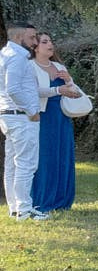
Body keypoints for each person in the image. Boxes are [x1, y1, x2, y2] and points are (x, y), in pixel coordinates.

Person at [30, 33, 82, 212]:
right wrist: (58, 89)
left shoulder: (59, 66)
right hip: (43, 116)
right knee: (45, 156)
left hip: (62, 115)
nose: (50, 44)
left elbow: (74, 91)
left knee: (63, 155)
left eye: (51, 41)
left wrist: (68, 79)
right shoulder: (30, 66)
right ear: (35, 47)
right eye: (44, 42)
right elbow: (32, 91)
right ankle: (41, 200)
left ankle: (62, 200)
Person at [1, 22, 47, 219]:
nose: (35, 42)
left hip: (8, 115)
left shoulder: (4, 55)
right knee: (26, 164)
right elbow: (13, 89)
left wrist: (55, 91)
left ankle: (14, 207)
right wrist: (31, 110)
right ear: (20, 37)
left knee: (12, 163)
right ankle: (25, 209)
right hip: (21, 117)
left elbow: (24, 88)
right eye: (32, 37)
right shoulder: (17, 57)